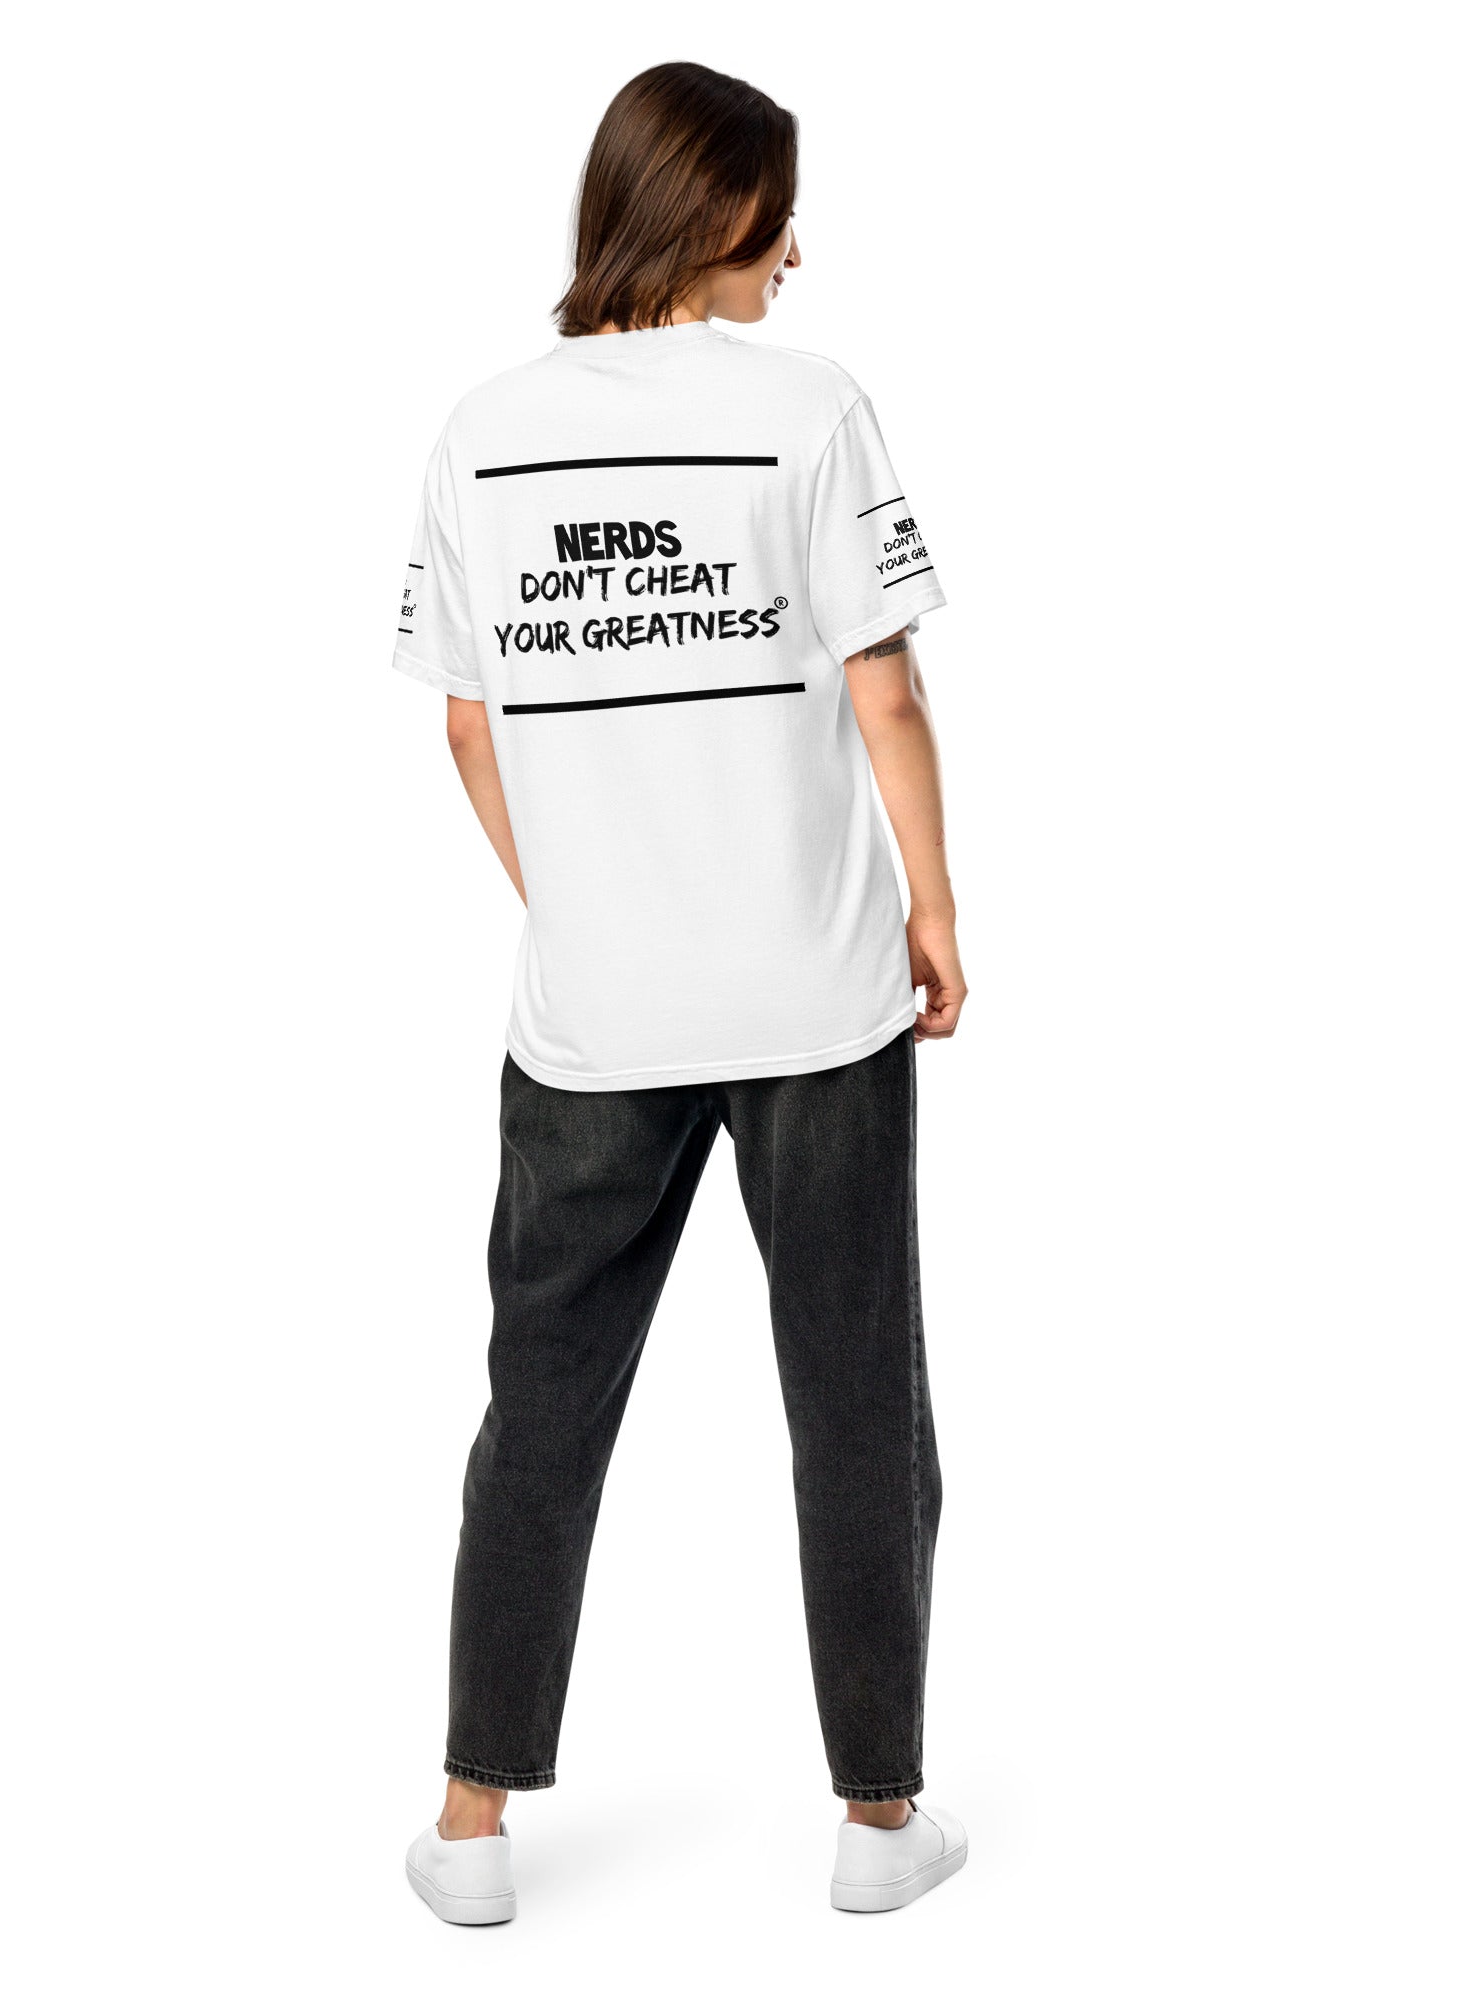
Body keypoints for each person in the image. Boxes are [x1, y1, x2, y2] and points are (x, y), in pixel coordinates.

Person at [392, 61, 968, 1921]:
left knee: (541, 1407)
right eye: (779, 215)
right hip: (818, 997)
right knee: (856, 1402)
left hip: (593, 1016)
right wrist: (937, 904)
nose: (798, 254)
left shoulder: (482, 431)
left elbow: (469, 727)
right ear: (719, 210)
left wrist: (583, 900)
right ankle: (880, 1824)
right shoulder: (814, 410)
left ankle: (471, 1830)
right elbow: (886, 688)